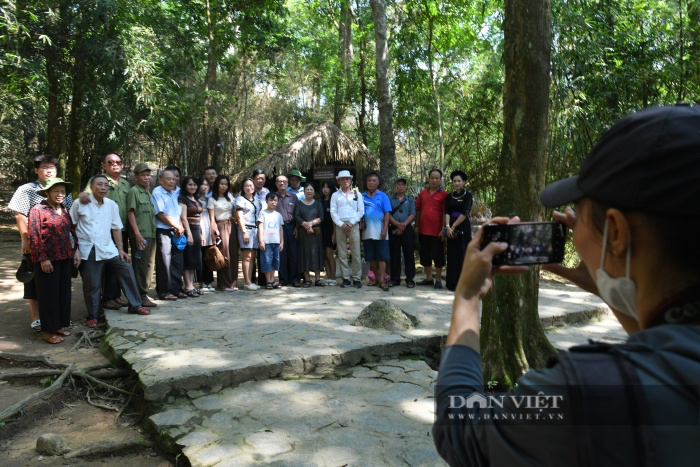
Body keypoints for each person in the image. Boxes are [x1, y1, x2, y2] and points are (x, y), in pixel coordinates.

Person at [432, 105, 700, 465]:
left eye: (579, 208)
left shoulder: (586, 392)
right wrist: (611, 285)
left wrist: (467, 297)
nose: (569, 221)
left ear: (616, 233)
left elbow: (460, 428)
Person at [71, 175, 150, 327]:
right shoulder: (79, 203)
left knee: (126, 269)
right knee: (92, 284)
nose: (103, 188)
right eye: (99, 185)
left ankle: (135, 305)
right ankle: (93, 316)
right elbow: (71, 228)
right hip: (88, 249)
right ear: (91, 187)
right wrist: (76, 250)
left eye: (106, 185)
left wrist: (121, 250)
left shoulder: (111, 204)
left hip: (108, 248)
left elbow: (116, 228)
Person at [7, 154, 74, 332]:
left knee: (57, 286)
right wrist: (26, 240)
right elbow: (20, 214)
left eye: (52, 167)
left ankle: (56, 322)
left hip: (61, 247)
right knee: (35, 281)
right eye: (45, 167)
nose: (49, 170)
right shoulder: (27, 189)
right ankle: (37, 319)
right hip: (37, 242)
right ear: (36, 170)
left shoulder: (62, 189)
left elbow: (68, 217)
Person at [28, 177, 80, 344]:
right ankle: (47, 331)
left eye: (63, 191)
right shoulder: (38, 210)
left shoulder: (64, 209)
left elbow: (71, 232)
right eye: (56, 191)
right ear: (48, 192)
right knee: (48, 295)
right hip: (48, 260)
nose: (60, 194)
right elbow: (34, 236)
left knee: (63, 293)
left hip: (65, 257)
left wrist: (76, 251)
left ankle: (58, 325)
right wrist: (43, 259)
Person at [80, 153, 131, 310]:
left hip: (121, 229)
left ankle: (114, 295)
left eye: (118, 162)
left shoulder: (125, 183)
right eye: (110, 162)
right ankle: (107, 298)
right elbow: (85, 194)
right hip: (102, 230)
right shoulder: (97, 180)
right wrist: (81, 194)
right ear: (104, 165)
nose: (115, 165)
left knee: (118, 263)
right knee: (105, 265)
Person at [126, 163, 158, 307]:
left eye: (148, 175)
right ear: (136, 177)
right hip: (141, 235)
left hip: (150, 233)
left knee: (149, 265)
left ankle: (144, 294)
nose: (147, 177)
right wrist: (137, 234)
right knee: (140, 266)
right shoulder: (134, 191)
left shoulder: (147, 192)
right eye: (143, 175)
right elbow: (130, 213)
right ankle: (139, 295)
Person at [151, 170, 187, 300]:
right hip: (164, 230)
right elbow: (160, 214)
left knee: (177, 260)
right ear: (161, 180)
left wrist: (179, 226)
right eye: (169, 179)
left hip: (177, 230)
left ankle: (176, 289)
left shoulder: (176, 192)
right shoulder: (158, 192)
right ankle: (164, 291)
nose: (172, 181)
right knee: (164, 261)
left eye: (174, 179)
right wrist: (176, 225)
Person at [330, 170, 364, 289]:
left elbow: (361, 211)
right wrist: (340, 223)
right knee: (342, 252)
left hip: (353, 224)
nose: (345, 181)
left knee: (356, 252)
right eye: (342, 179)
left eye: (347, 179)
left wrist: (351, 223)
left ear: (350, 180)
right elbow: (333, 211)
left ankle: (356, 278)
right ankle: (345, 278)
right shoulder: (335, 195)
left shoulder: (356, 193)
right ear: (338, 181)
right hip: (340, 225)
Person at [415, 168, 448, 289]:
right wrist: (417, 225)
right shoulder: (423, 193)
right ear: (428, 179)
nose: (434, 180)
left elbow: (445, 212)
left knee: (438, 255)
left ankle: (438, 280)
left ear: (440, 180)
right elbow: (418, 210)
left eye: (437, 178)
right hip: (423, 230)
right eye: (432, 178)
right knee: (425, 255)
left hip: (437, 232)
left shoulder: (444, 194)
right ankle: (429, 278)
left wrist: (443, 228)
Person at [361, 171, 391, 291]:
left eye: (374, 180)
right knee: (371, 257)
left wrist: (385, 230)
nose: (371, 182)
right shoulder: (361, 196)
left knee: (382, 257)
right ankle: (377, 279)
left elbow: (387, 214)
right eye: (369, 180)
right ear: (366, 182)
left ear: (378, 183)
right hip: (366, 232)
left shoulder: (383, 196)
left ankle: (382, 280)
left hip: (381, 232)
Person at [444, 170, 473, 291]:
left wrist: (454, 226)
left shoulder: (468, 195)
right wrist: (447, 226)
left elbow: (465, 213)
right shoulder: (448, 196)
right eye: (455, 181)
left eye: (459, 181)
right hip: (450, 227)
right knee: (452, 254)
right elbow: (447, 212)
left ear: (463, 182)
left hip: (462, 226)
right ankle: (452, 283)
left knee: (463, 253)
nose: (457, 183)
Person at [208, 175, 238, 291]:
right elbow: (212, 219)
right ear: (217, 185)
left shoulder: (230, 197)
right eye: (221, 184)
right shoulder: (212, 199)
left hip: (232, 226)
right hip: (220, 226)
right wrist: (213, 232)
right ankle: (223, 284)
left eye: (226, 184)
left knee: (233, 254)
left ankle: (233, 283)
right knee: (223, 255)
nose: (224, 186)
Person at [294, 182, 325, 287]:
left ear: (314, 191)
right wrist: (305, 225)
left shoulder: (318, 203)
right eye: (307, 189)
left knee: (316, 253)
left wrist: (311, 223)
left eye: (311, 189)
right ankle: (307, 279)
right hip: (303, 233)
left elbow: (321, 217)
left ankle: (317, 279)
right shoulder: (299, 203)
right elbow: (296, 216)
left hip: (316, 232)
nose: (309, 191)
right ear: (304, 191)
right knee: (304, 254)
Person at [388, 177, 416, 288]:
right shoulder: (390, 199)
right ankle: (395, 279)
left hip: (407, 229)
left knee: (409, 254)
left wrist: (403, 225)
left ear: (405, 187)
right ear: (395, 186)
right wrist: (397, 225)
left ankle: (410, 279)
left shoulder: (410, 200)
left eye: (402, 185)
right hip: (394, 229)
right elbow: (388, 215)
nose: (400, 186)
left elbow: (413, 214)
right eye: (398, 184)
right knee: (394, 254)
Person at [274, 175, 300, 287]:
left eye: (284, 181)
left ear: (288, 184)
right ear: (276, 184)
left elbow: (298, 214)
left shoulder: (293, 197)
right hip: (278, 228)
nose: (282, 183)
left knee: (294, 254)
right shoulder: (273, 196)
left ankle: (295, 279)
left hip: (292, 227)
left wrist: (297, 227)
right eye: (279, 181)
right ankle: (283, 280)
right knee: (281, 254)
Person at [235, 178, 261, 290]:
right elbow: (239, 216)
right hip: (246, 229)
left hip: (255, 230)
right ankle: (247, 282)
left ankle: (250, 281)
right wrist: (244, 232)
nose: (249, 188)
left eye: (251, 185)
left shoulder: (257, 200)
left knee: (253, 256)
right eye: (246, 186)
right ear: (242, 188)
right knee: (247, 256)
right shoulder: (240, 199)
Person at [179, 176, 203, 296]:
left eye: (194, 185)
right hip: (189, 230)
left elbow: (200, 217)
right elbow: (183, 217)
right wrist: (188, 234)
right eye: (190, 184)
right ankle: (187, 286)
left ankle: (191, 285)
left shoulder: (196, 199)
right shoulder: (183, 199)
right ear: (185, 186)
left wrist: (201, 234)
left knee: (194, 259)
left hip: (197, 230)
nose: (192, 187)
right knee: (188, 258)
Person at [257, 193, 284, 289]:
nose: (273, 202)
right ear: (267, 201)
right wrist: (261, 240)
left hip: (276, 241)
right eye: (271, 200)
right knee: (266, 261)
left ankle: (272, 280)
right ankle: (268, 281)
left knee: (274, 261)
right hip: (266, 241)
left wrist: (282, 242)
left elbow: (280, 229)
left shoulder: (278, 215)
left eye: (275, 200)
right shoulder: (263, 213)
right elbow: (260, 227)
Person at [197, 177, 216, 292]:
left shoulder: (209, 199)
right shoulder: (195, 199)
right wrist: (202, 233)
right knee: (200, 256)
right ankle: (201, 282)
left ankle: (209, 281)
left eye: (207, 185)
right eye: (203, 184)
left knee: (208, 255)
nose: (205, 187)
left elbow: (212, 216)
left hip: (208, 226)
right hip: (200, 227)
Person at [252, 169, 269, 286]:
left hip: (264, 226)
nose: (260, 180)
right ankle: (251, 279)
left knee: (263, 252)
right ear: (253, 179)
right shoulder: (247, 190)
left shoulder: (267, 192)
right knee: (251, 253)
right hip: (251, 226)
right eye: (258, 178)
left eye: (262, 178)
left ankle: (263, 280)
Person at [320, 179, 337, 285]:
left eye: (327, 187)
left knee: (329, 254)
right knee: (324, 255)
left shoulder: (334, 201)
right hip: (321, 230)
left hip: (330, 230)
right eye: (323, 187)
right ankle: (329, 277)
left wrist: (334, 233)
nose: (325, 189)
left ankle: (333, 277)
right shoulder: (320, 201)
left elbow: (335, 219)